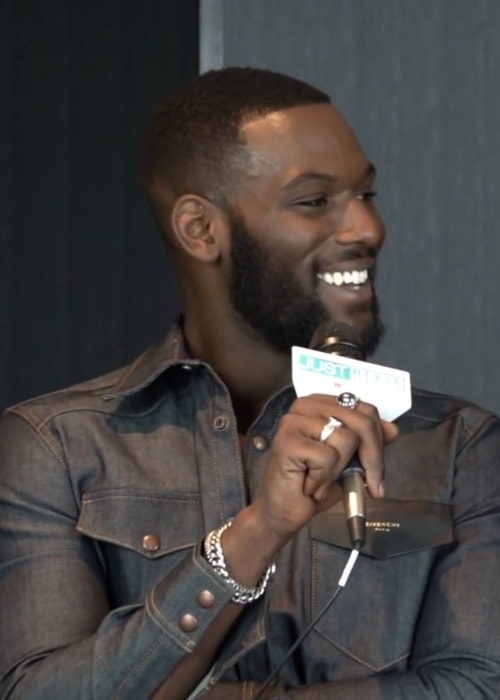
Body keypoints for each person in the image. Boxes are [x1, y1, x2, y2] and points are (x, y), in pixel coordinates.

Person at [1, 66, 499, 700]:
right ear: (202, 230)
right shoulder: (57, 446)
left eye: (366, 196)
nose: (368, 230)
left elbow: (479, 686)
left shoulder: (459, 447)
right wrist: (259, 530)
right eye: (315, 201)